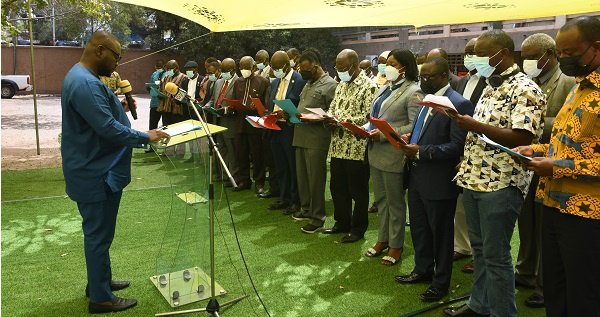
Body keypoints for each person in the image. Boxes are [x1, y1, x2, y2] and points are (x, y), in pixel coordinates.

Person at [61, 31, 169, 314]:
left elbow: (98, 118)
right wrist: (147, 137)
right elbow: (107, 129)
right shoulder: (85, 82)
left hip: (95, 168)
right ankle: (101, 299)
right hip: (96, 173)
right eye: (116, 56)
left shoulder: (81, 77)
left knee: (101, 235)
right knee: (98, 235)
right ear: (100, 51)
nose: (118, 63)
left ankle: (101, 282)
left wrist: (116, 106)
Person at [443, 29, 546, 317]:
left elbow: (521, 137)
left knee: (497, 256)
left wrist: (471, 125)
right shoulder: (491, 86)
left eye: (481, 53)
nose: (475, 58)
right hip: (475, 176)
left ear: (501, 54)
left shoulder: (526, 88)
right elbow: (485, 132)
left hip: (502, 182)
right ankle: (479, 305)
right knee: (480, 250)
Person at [514, 16, 600, 317]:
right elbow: (565, 144)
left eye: (570, 53)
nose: (563, 59)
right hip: (551, 204)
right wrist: (534, 149)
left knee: (584, 295)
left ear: (596, 48)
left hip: (586, 213)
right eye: (560, 53)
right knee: (555, 289)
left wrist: (557, 167)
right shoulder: (578, 88)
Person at [395, 57, 473, 302]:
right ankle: (423, 269)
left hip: (438, 179)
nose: (423, 81)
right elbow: (425, 132)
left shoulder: (458, 104)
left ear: (444, 76)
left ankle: (441, 282)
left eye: (428, 77)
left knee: (441, 234)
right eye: (421, 76)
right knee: (419, 228)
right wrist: (410, 138)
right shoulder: (426, 100)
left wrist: (421, 150)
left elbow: (457, 147)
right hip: (417, 175)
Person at [516, 32, 576, 309]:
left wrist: (533, 120)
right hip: (530, 160)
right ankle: (525, 271)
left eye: (530, 58)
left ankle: (543, 283)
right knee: (526, 222)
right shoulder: (530, 80)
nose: (526, 62)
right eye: (524, 57)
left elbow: (566, 121)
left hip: (555, 164)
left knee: (543, 225)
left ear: (548, 55)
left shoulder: (567, 81)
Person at [361, 49, 422, 264]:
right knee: (382, 200)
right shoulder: (384, 88)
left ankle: (396, 245)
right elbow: (375, 118)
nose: (387, 67)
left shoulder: (413, 91)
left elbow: (414, 126)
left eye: (392, 64)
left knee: (395, 203)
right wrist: (364, 128)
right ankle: (382, 239)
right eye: (386, 63)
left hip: (394, 154)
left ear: (404, 67)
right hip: (375, 152)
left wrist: (385, 135)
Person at [322, 49, 376, 242]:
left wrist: (341, 120)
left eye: (343, 68)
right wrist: (328, 118)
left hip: (356, 148)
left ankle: (358, 228)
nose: (339, 71)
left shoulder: (369, 86)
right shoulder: (341, 85)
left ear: (354, 66)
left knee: (358, 191)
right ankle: (341, 222)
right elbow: (332, 107)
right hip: (337, 145)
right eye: (337, 68)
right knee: (337, 188)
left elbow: (369, 117)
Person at [291, 48, 338, 233]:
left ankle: (318, 218)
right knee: (303, 178)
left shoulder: (330, 85)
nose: (301, 71)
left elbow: (334, 114)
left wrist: (318, 118)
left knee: (315, 180)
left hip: (317, 139)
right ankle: (307, 209)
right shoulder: (308, 83)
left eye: (304, 68)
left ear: (315, 65)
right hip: (300, 135)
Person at [453, 37, 488, 274]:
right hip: (457, 146)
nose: (469, 56)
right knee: (461, 205)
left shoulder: (491, 81)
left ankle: (480, 254)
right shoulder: (461, 81)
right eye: (466, 52)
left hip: (480, 150)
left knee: (479, 210)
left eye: (473, 52)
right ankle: (462, 246)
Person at [266, 51, 306, 215]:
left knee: (292, 166)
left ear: (286, 65)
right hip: (276, 128)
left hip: (291, 128)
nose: (275, 71)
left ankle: (295, 200)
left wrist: (288, 114)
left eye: (278, 67)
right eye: (273, 68)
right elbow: (272, 103)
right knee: (280, 165)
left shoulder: (299, 80)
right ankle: (284, 197)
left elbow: (302, 106)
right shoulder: (275, 82)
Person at [232, 56, 270, 194]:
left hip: (255, 123)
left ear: (254, 67)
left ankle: (259, 182)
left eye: (246, 68)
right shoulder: (238, 82)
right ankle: (244, 180)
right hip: (240, 122)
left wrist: (258, 107)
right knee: (241, 153)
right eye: (241, 68)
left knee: (257, 154)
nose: (244, 70)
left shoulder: (263, 81)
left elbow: (266, 105)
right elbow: (235, 99)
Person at [206, 58, 239, 187]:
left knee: (232, 151)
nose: (224, 73)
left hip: (230, 122)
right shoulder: (219, 82)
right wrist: (208, 106)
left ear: (233, 70)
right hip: (217, 121)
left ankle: (234, 176)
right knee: (222, 149)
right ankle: (225, 175)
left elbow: (237, 104)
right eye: (223, 71)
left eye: (226, 71)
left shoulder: (238, 82)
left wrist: (225, 110)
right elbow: (213, 99)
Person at [157, 60, 188, 157]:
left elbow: (185, 93)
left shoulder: (184, 78)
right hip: (166, 107)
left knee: (179, 131)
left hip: (177, 109)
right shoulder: (166, 78)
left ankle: (180, 152)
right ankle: (168, 151)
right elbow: (161, 90)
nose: (169, 71)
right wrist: (159, 94)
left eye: (170, 69)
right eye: (167, 69)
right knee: (167, 131)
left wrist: (177, 98)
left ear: (177, 68)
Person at [146, 59, 166, 153]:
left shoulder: (167, 75)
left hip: (164, 104)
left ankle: (166, 148)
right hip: (154, 103)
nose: (158, 68)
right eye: (157, 66)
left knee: (166, 126)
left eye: (160, 66)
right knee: (153, 125)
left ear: (164, 66)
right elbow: (150, 85)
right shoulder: (154, 74)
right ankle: (152, 147)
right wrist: (149, 87)